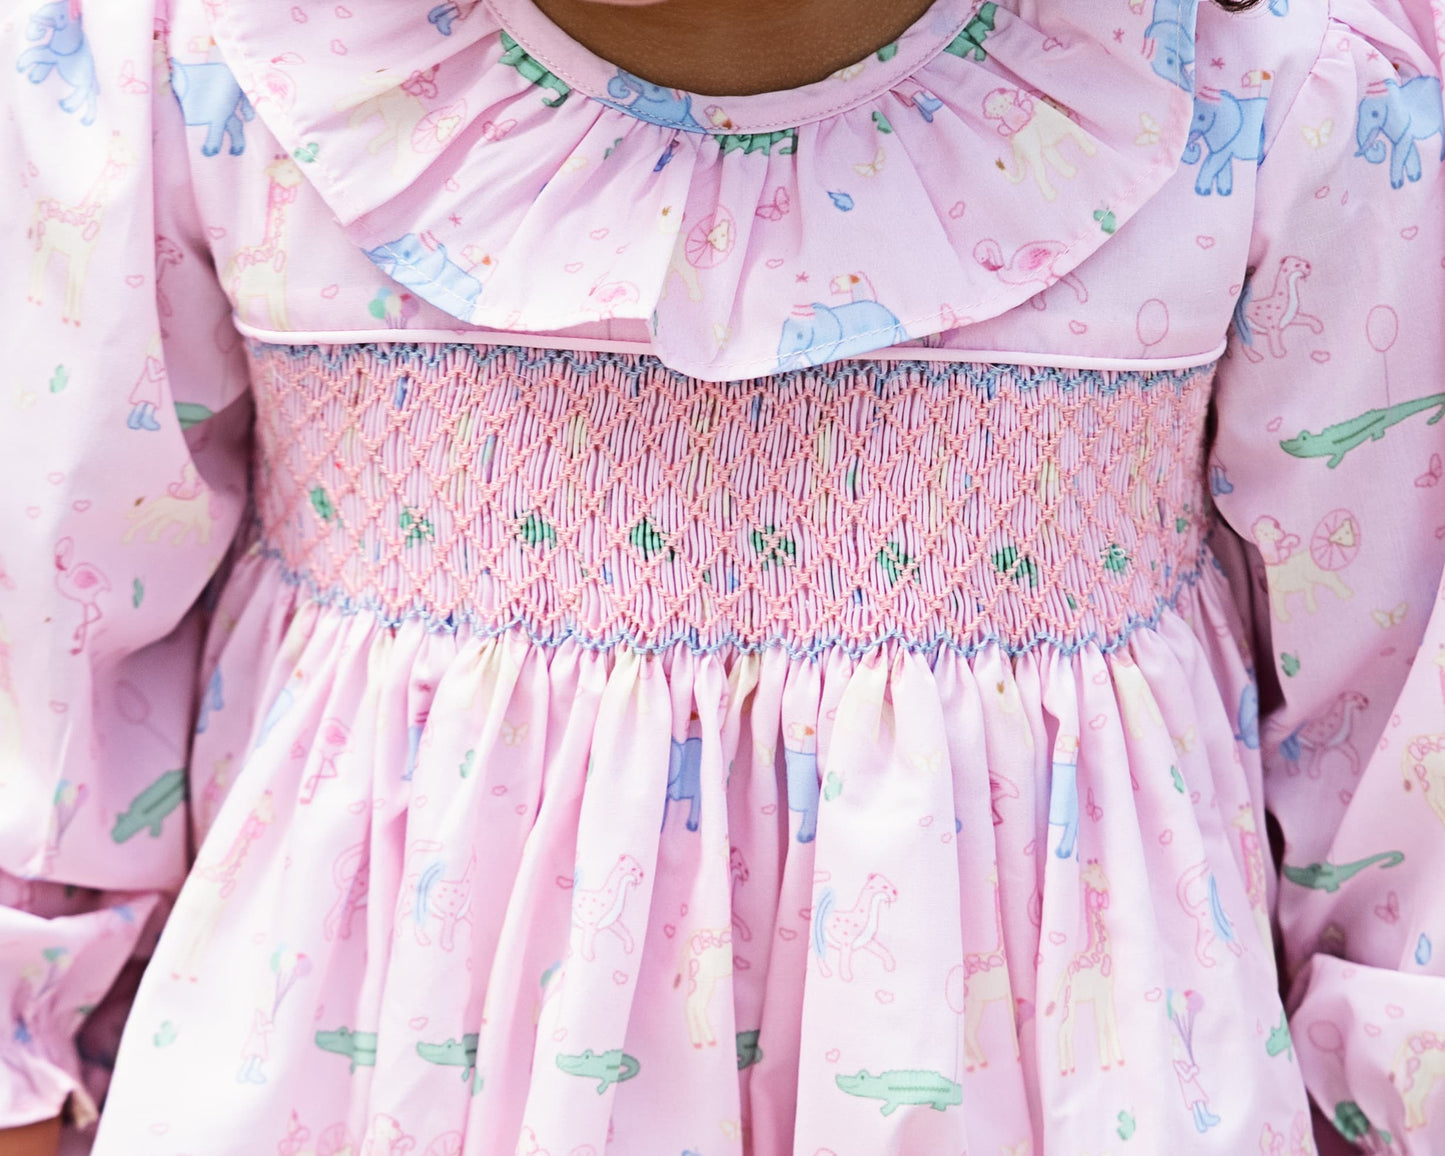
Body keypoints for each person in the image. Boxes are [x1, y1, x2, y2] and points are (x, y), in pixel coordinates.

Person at [1, 0, 1442, 1152]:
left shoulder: (1277, 88)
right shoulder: (200, 64)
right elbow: (50, 675)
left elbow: (1396, 753)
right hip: (346, 1071)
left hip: (1061, 1081)